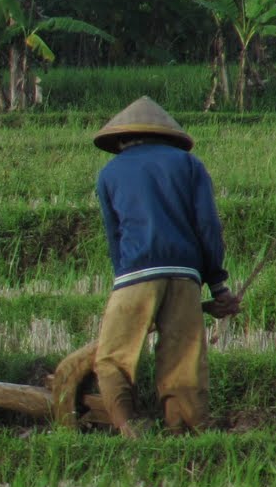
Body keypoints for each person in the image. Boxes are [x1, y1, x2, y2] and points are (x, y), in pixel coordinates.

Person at [92, 97, 240, 437]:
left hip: (135, 275)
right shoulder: (189, 166)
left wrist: (122, 277)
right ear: (168, 137)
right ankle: (184, 432)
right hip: (185, 276)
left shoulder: (110, 173)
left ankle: (126, 424)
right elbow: (208, 228)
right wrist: (216, 285)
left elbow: (114, 235)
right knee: (183, 359)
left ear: (123, 140)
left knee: (113, 356)